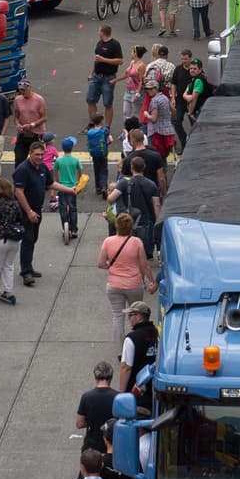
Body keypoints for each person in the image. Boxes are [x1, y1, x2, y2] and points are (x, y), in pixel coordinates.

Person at [99, 211, 155, 341]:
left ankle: (121, 350)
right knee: (137, 314)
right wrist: (152, 280)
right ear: (131, 226)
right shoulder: (136, 242)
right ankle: (136, 342)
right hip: (134, 284)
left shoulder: (108, 241)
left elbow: (101, 263)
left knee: (118, 317)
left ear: (117, 226)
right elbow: (144, 265)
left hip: (114, 285)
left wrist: (110, 265)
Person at [0, 166, 27, 305]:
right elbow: (20, 218)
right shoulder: (15, 204)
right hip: (15, 238)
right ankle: (8, 291)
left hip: (1, 238)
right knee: (9, 265)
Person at [13, 137, 50, 287]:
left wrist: (70, 190)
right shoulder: (22, 169)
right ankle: (26, 271)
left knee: (33, 238)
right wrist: (28, 211)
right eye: (37, 155)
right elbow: (19, 192)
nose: (40, 157)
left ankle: (28, 265)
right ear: (30, 153)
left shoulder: (42, 168)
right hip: (25, 210)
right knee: (28, 239)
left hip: (37, 209)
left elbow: (51, 183)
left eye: (42, 154)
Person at [110, 154, 163, 256]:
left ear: (131, 167)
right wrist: (158, 222)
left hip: (129, 221)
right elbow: (156, 205)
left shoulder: (124, 183)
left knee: (129, 250)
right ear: (144, 167)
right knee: (144, 250)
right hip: (146, 221)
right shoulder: (152, 184)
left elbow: (110, 199)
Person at [76, 361, 119, 455]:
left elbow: (79, 423)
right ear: (111, 377)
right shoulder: (118, 397)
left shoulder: (86, 397)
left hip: (92, 448)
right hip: (113, 447)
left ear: (95, 377)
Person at [121, 300, 160, 396]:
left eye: (130, 315)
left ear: (138, 317)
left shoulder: (131, 338)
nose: (128, 318)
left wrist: (121, 394)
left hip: (136, 391)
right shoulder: (158, 333)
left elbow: (126, 368)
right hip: (156, 388)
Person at [87, 25, 124, 127]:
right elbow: (96, 60)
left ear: (103, 32)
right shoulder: (99, 43)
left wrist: (104, 60)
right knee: (90, 100)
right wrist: (91, 73)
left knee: (107, 103)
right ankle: (93, 124)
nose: (98, 33)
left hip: (108, 78)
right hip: (96, 76)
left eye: (99, 31)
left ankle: (107, 127)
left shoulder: (115, 44)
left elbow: (120, 61)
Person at [53, 137, 85, 245]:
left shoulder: (59, 160)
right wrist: (78, 182)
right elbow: (80, 172)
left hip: (62, 187)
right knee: (73, 208)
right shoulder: (75, 160)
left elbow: (55, 172)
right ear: (72, 148)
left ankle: (64, 228)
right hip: (72, 187)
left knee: (62, 208)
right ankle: (74, 229)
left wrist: (58, 181)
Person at [11, 82, 48, 165]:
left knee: (36, 160)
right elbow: (16, 116)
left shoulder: (39, 99)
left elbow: (44, 118)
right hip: (23, 134)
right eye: (20, 91)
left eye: (24, 90)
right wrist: (17, 124)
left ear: (29, 88)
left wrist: (32, 125)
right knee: (19, 160)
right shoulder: (17, 99)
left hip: (36, 135)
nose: (22, 93)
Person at [122, 46, 148, 128]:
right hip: (128, 91)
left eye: (132, 52)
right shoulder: (132, 63)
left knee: (136, 113)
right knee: (125, 112)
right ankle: (127, 130)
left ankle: (136, 132)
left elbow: (141, 81)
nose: (131, 53)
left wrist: (137, 93)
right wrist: (114, 80)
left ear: (135, 54)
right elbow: (126, 74)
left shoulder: (141, 66)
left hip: (136, 92)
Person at [85, 118, 111, 198]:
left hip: (94, 153)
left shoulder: (90, 132)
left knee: (96, 169)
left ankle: (98, 188)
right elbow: (110, 140)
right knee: (103, 170)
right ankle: (104, 187)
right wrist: (106, 145)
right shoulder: (105, 130)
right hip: (103, 153)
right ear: (101, 121)